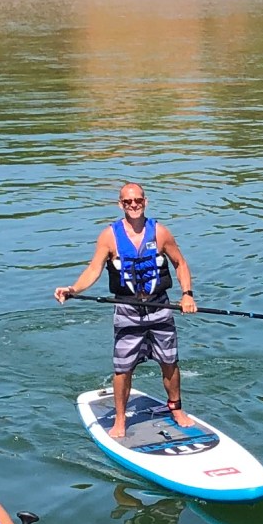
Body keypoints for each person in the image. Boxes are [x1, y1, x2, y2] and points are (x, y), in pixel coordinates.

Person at [54, 182, 198, 440]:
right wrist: (73, 289)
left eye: (138, 200)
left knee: (169, 361)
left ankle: (176, 409)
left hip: (159, 305)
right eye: (128, 201)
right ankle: (120, 419)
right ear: (120, 204)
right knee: (123, 368)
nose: (133, 205)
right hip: (127, 309)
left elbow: (180, 263)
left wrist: (187, 295)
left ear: (146, 201)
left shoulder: (160, 232)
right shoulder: (109, 236)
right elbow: (94, 269)